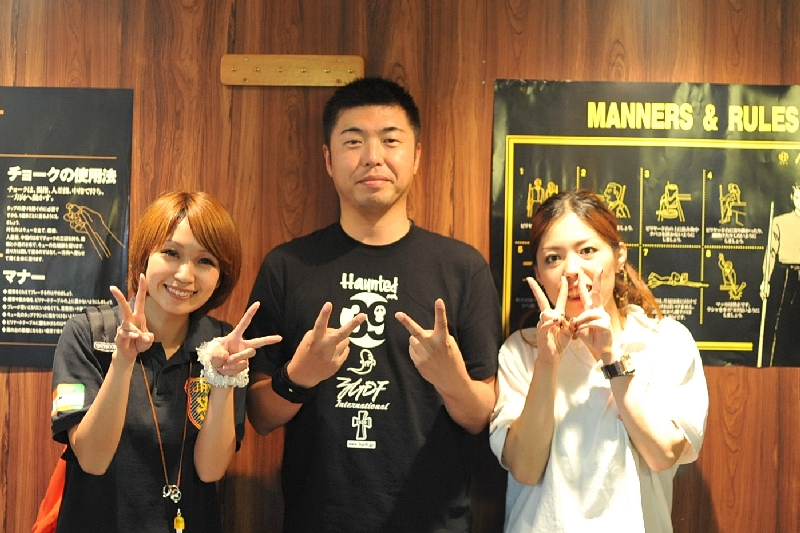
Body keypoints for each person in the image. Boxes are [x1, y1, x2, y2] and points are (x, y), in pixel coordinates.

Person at [245, 77, 503, 532]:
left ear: (417, 156)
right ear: (328, 159)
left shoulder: (462, 268)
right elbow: (259, 416)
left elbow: (481, 416)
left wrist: (451, 380)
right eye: (353, 141)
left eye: (390, 140)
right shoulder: (288, 267)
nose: (372, 157)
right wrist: (298, 377)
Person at [50, 191, 281, 533]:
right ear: (145, 256)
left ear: (221, 276)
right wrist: (123, 361)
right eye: (171, 253)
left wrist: (222, 380)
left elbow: (210, 470)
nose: (185, 275)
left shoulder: (224, 345)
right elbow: (93, 460)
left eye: (205, 261)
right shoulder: (87, 333)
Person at [489, 189, 708, 533]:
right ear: (539, 273)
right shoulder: (521, 350)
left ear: (619, 255)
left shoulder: (666, 342)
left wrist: (611, 357)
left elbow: (664, 453)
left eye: (587, 251)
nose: (571, 270)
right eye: (553, 258)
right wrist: (547, 363)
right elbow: (525, 468)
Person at [760, 182, 800, 366]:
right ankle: (776, 368)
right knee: (780, 323)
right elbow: (771, 252)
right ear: (792, 198)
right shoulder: (780, 221)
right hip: (787, 276)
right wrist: (765, 281)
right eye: (798, 197)